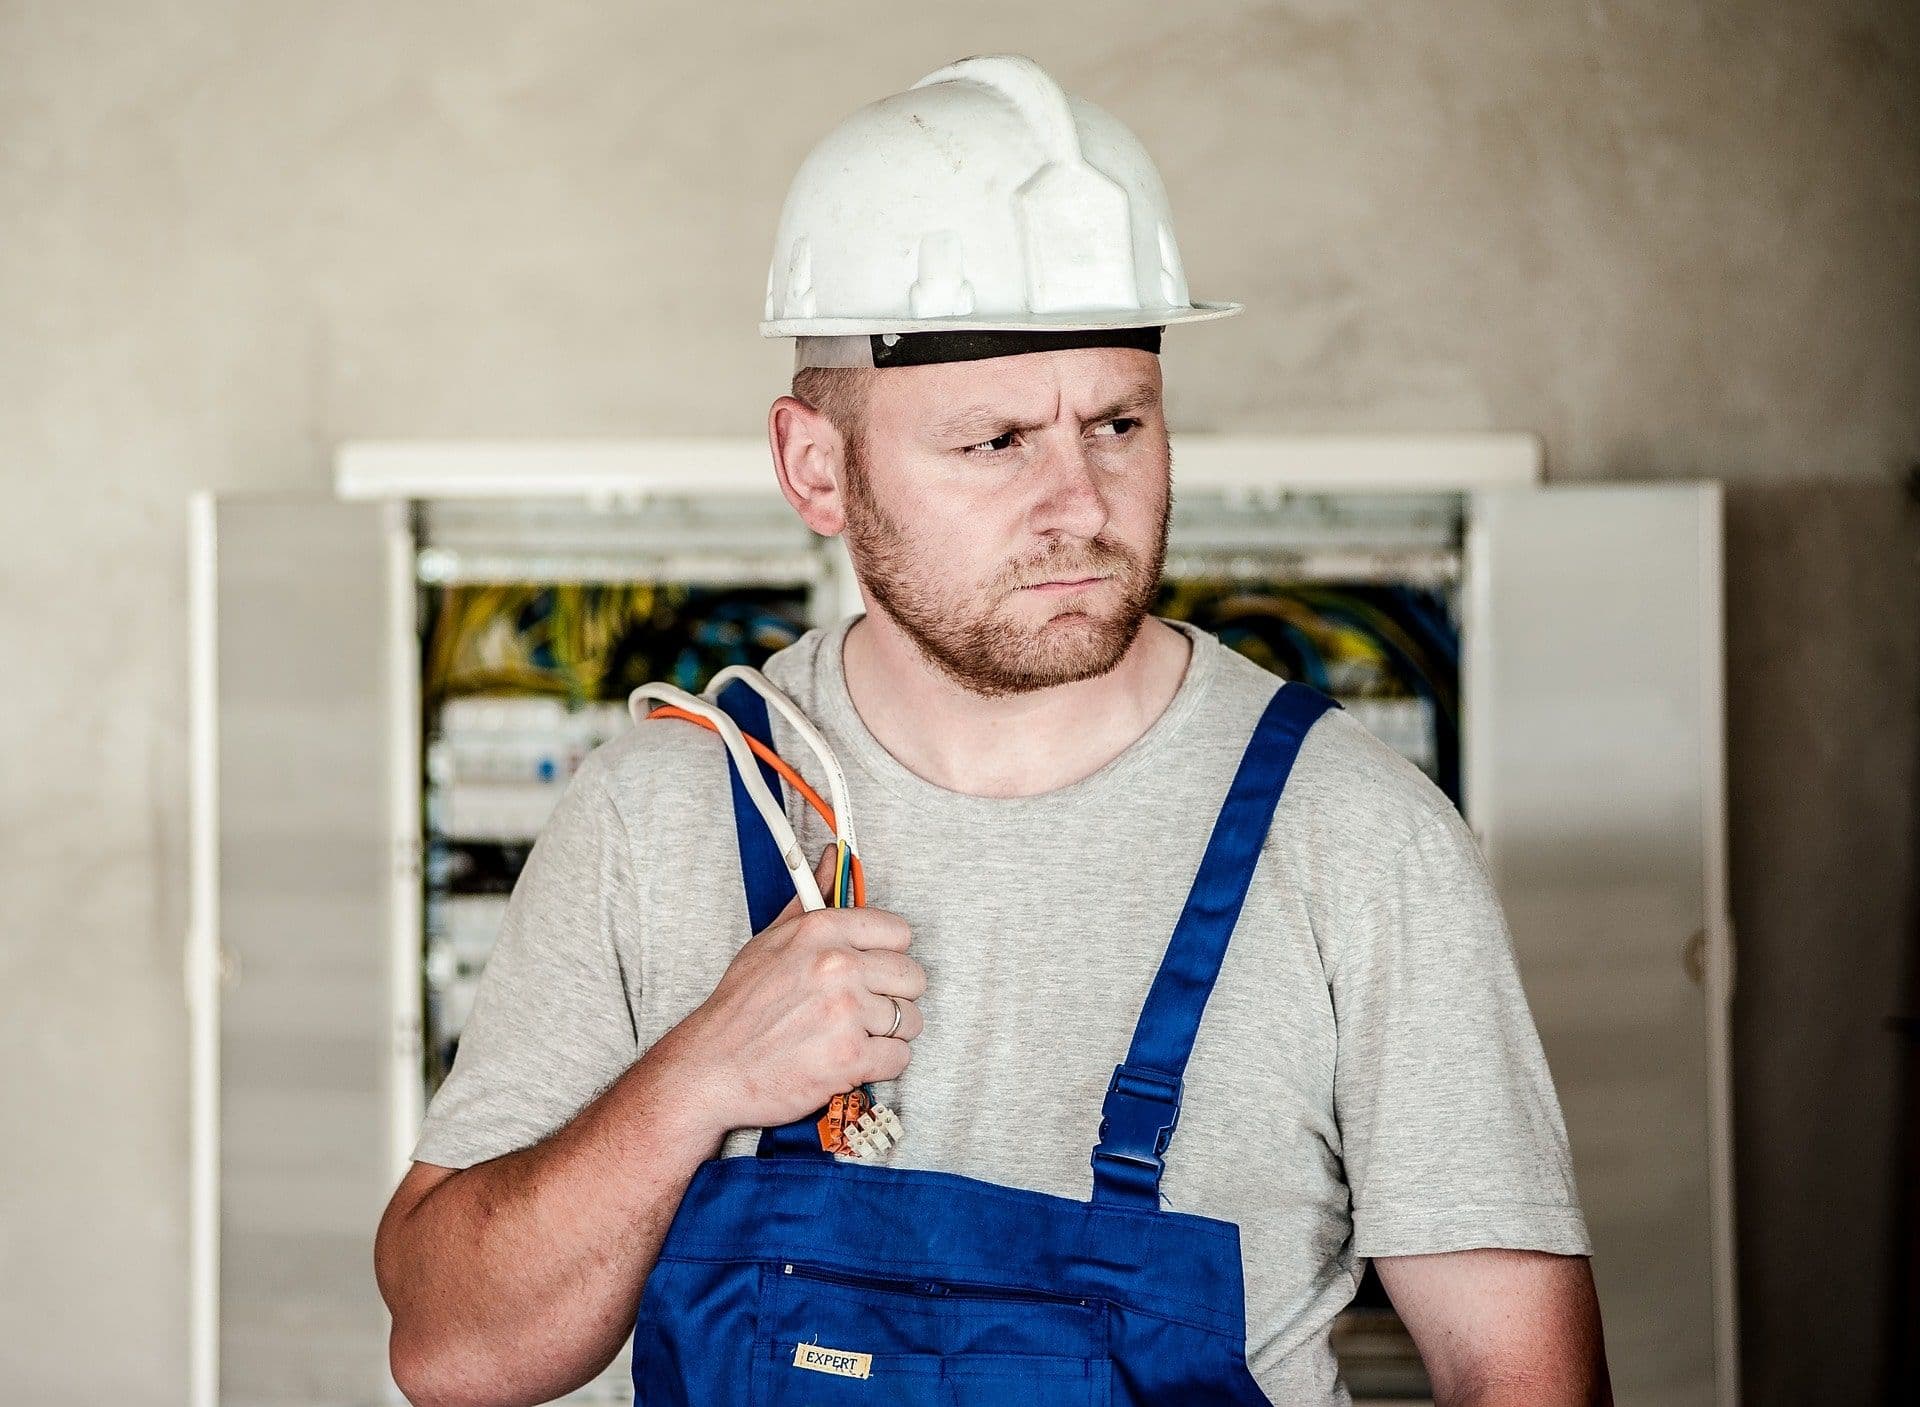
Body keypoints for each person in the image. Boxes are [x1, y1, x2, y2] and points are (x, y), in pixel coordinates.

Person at [375, 54, 1610, 1406]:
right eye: (995, 443)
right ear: (815, 468)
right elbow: (452, 1351)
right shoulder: (658, 812)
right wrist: (697, 1080)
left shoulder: (1357, 841)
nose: (1079, 503)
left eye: (1119, 423)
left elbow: (1524, 1376)